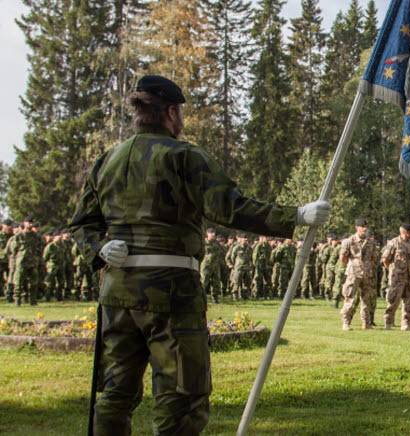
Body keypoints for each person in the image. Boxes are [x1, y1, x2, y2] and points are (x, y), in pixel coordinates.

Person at [69, 75, 330, 436]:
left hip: (118, 295)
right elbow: (230, 207)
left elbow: (81, 225)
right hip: (172, 295)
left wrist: (98, 248)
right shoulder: (184, 156)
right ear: (171, 112)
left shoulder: (106, 161)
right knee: (181, 400)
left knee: (115, 395)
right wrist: (296, 215)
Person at [339, 219, 379, 330]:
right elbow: (342, 257)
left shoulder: (370, 242)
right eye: (362, 227)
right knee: (350, 297)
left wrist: (366, 265)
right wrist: (353, 265)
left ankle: (366, 323)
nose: (364, 229)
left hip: (366, 273)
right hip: (353, 273)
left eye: (366, 226)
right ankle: (346, 322)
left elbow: (374, 257)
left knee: (366, 299)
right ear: (357, 227)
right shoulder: (349, 241)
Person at [381, 224, 410, 330]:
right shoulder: (394, 242)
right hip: (396, 278)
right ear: (406, 232)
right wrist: (392, 271)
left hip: (408, 277)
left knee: (408, 301)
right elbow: (385, 259)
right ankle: (388, 321)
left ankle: (406, 323)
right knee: (393, 300)